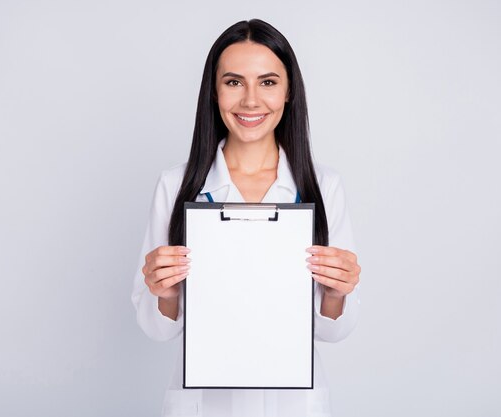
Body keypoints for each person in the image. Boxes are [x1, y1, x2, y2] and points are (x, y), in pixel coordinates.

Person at [132, 18, 361, 417]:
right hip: (202, 403)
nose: (251, 101)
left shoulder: (324, 186)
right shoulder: (175, 186)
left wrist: (338, 293)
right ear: (214, 91)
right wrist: (165, 295)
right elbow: (157, 328)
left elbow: (333, 331)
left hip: (294, 404)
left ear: (289, 92)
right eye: (234, 82)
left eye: (268, 82)